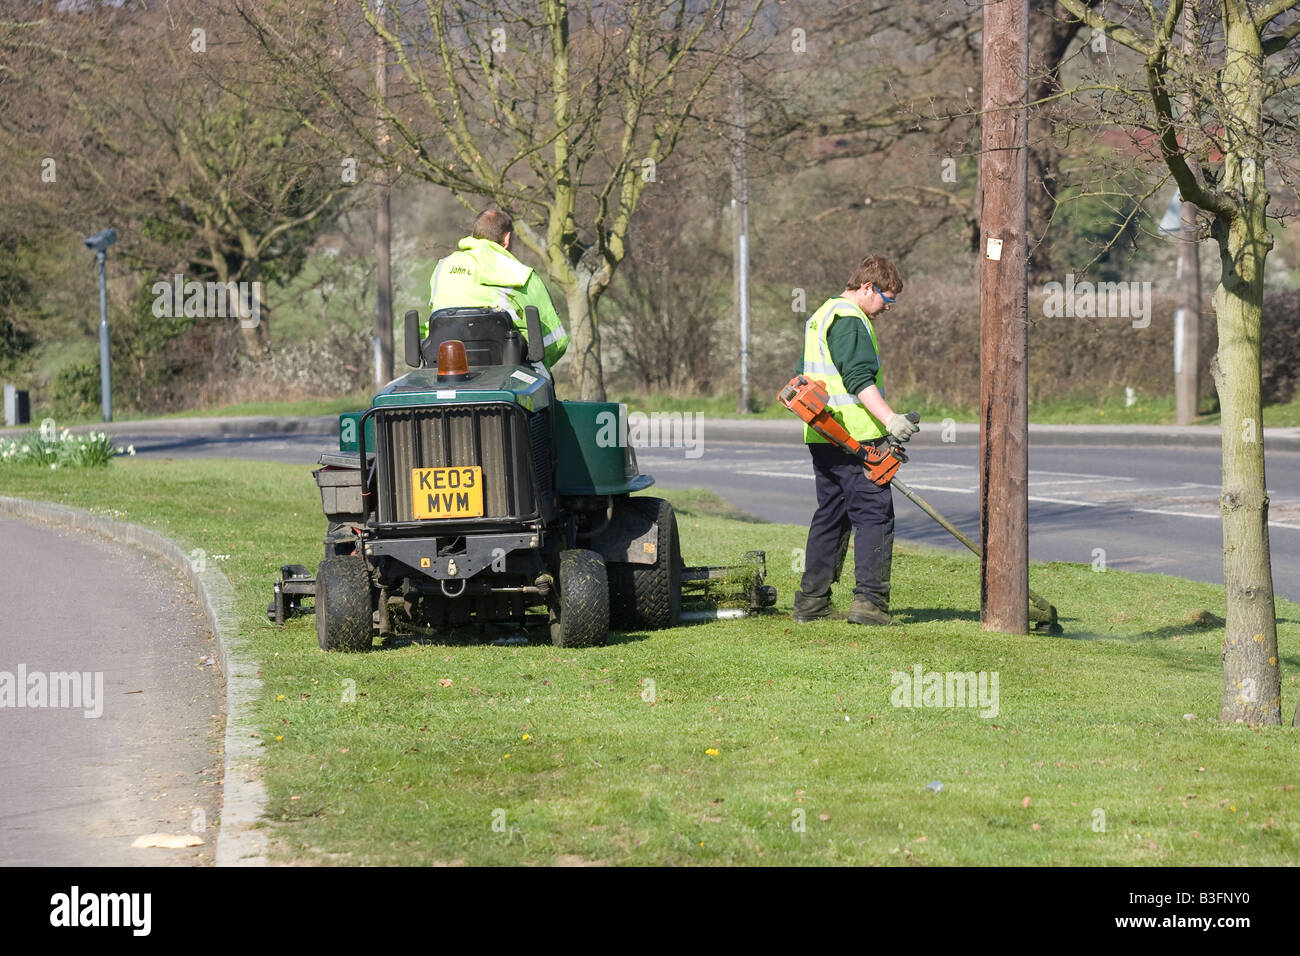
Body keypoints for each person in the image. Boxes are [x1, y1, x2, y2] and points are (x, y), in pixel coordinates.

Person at [792, 255, 919, 626]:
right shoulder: (849, 320)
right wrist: (890, 419)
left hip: (822, 432)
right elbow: (858, 379)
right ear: (867, 287)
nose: (888, 308)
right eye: (886, 298)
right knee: (874, 516)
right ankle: (870, 604)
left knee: (831, 514)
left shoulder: (822, 315)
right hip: (855, 437)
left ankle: (811, 601)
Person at [426, 208, 569, 372]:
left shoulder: (442, 267)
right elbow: (556, 341)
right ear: (507, 238)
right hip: (510, 372)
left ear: (473, 235)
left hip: (447, 367)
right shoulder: (521, 275)